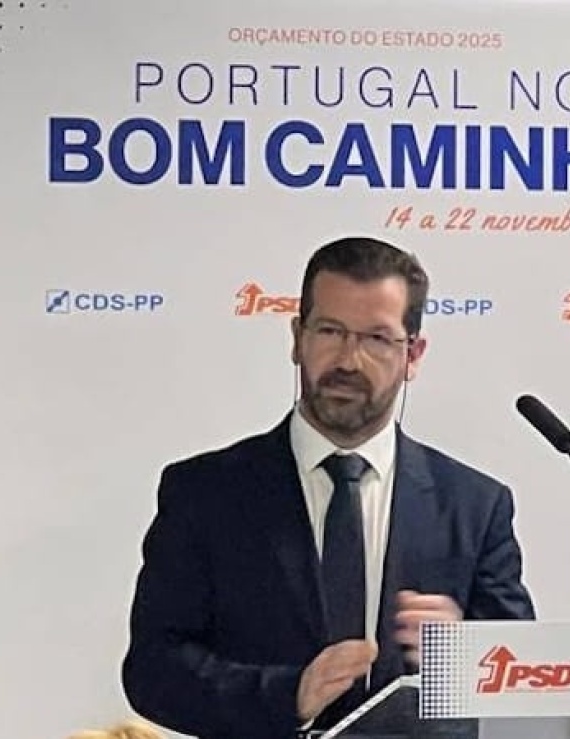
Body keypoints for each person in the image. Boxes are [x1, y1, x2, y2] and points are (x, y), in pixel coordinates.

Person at [121, 236, 536, 739]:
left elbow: (523, 687)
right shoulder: (205, 493)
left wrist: (465, 657)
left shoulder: (474, 506)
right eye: (330, 331)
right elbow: (154, 670)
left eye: (377, 338)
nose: (349, 360)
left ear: (413, 355)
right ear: (298, 339)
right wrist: (289, 695)